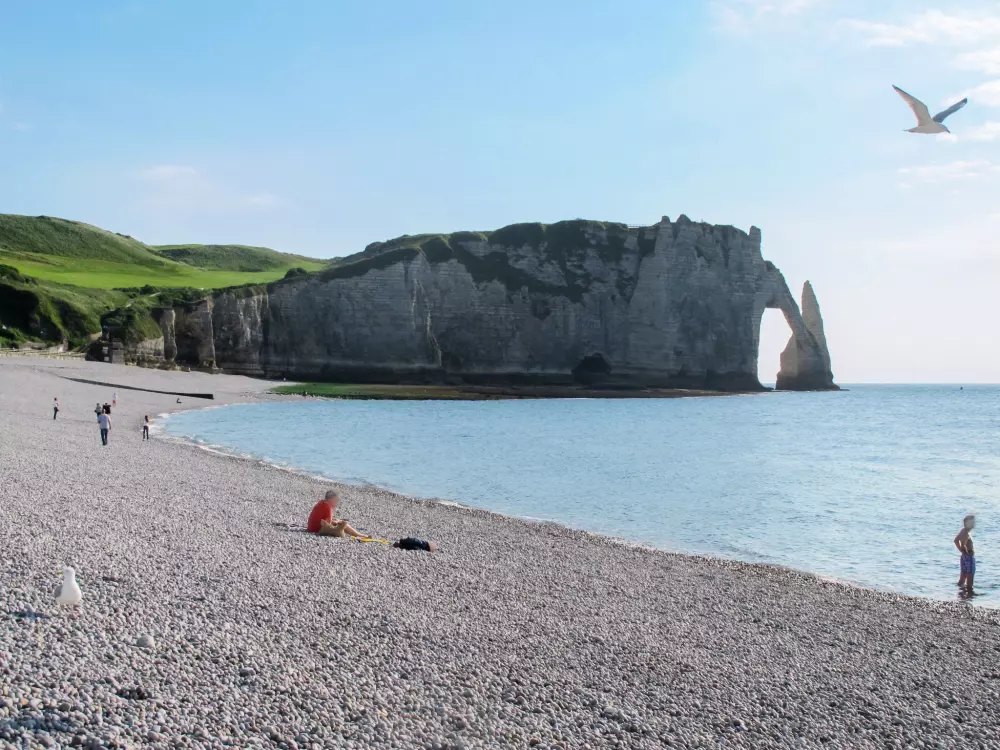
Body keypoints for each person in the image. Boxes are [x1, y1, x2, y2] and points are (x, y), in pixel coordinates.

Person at [955, 514, 976, 594]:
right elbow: (963, 543)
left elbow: (956, 540)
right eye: (973, 522)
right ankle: (969, 596)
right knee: (970, 579)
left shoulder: (963, 530)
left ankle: (960, 595)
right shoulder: (966, 533)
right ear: (968, 523)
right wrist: (965, 550)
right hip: (969, 557)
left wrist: (961, 550)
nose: (974, 524)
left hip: (964, 557)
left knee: (962, 578)